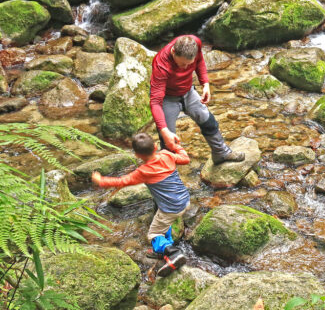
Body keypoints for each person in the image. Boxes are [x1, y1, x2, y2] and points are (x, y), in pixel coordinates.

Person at [91, 133, 190, 277]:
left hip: (170, 208)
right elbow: (185, 159)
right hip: (184, 200)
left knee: (154, 233)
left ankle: (173, 253)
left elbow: (122, 181)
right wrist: (176, 147)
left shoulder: (144, 171)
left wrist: (101, 181)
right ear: (155, 146)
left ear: (137, 155)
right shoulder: (166, 155)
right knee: (162, 223)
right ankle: (163, 250)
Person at [150, 35, 244, 164]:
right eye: (182, 63)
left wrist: (205, 83)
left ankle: (221, 153)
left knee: (208, 121)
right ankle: (168, 174)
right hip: (168, 98)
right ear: (173, 52)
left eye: (189, 65)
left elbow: (199, 61)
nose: (184, 67)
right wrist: (164, 130)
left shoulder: (196, 43)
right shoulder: (161, 64)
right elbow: (155, 102)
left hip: (188, 92)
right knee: (168, 139)